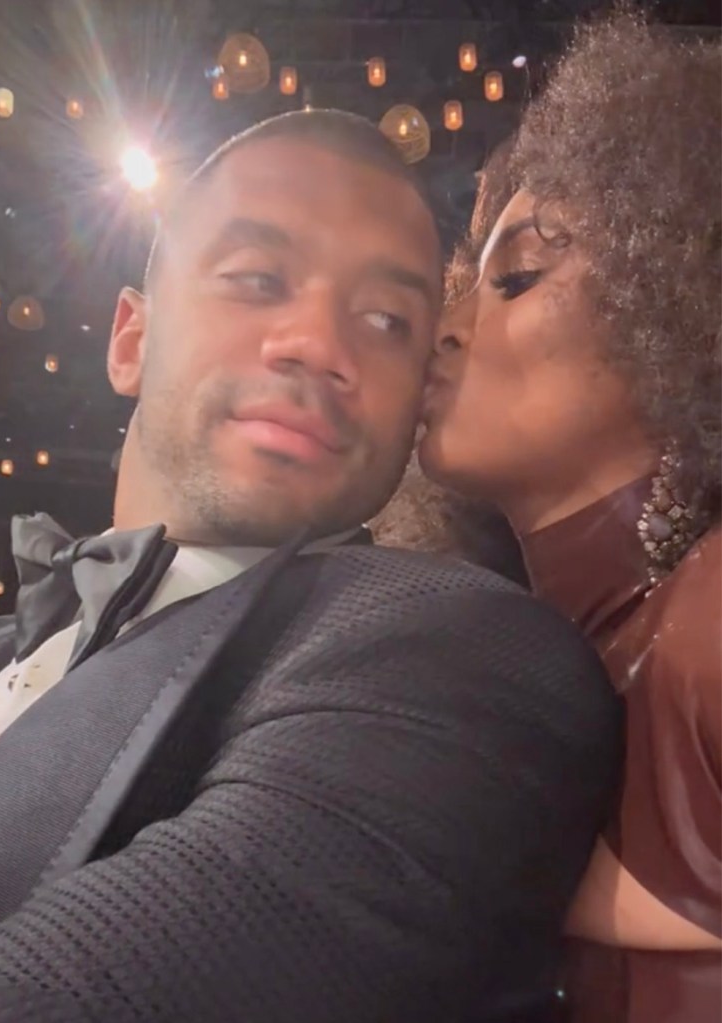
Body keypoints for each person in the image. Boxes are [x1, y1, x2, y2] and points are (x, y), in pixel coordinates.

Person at [0, 111, 620, 1022]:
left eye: (385, 319)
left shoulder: (460, 655)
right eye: (257, 279)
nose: (320, 347)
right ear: (130, 338)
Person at [419, 12, 721, 1023]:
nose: (443, 324)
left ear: (675, 301)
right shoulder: (551, 676)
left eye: (517, 278)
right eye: (464, 282)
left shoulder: (706, 626)